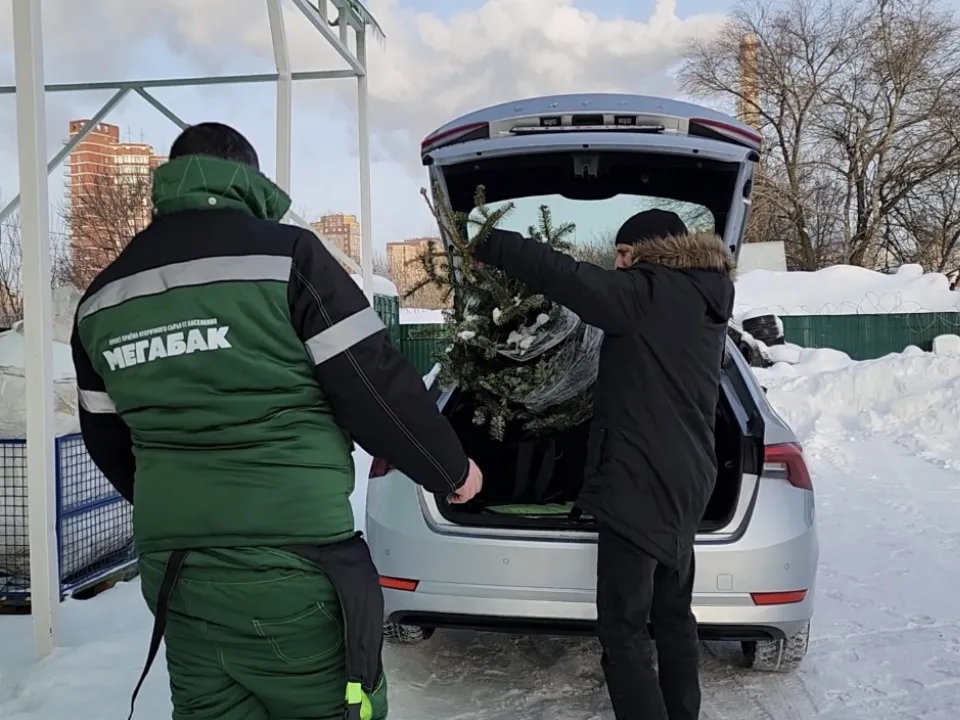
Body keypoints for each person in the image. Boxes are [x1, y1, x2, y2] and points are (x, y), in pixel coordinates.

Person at [70, 122, 483, 720]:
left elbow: (106, 437)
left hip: (176, 569)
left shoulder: (104, 297)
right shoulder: (289, 257)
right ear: (251, 180)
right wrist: (450, 470)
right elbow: (372, 382)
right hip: (292, 560)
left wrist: (185, 504)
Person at [472, 208, 735, 720]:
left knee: (623, 628)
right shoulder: (704, 299)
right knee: (673, 614)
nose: (617, 265)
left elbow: (565, 275)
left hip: (639, 482)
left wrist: (490, 243)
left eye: (622, 254)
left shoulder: (648, 293)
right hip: (686, 478)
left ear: (651, 251)